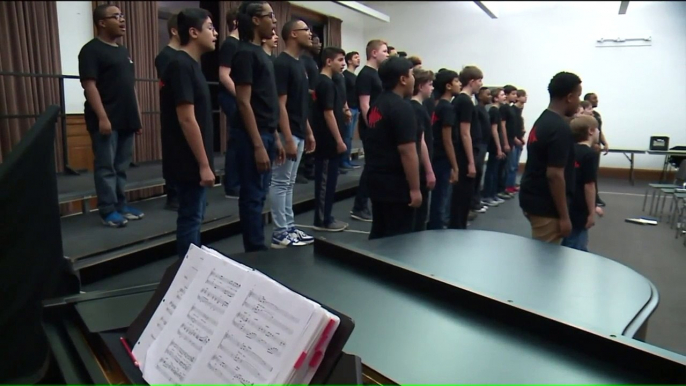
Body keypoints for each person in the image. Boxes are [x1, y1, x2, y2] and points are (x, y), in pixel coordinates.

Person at [159, 8, 218, 258]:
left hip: (192, 158)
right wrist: (203, 164)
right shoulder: (180, 65)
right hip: (188, 159)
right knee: (191, 218)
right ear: (193, 32)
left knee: (195, 215)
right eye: (210, 28)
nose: (215, 33)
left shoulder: (191, 66)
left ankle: (191, 267)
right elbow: (186, 118)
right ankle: (187, 272)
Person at [78, 4, 144, 228]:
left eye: (122, 16)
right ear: (102, 22)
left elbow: (130, 86)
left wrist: (137, 115)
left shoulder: (123, 52)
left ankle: (120, 205)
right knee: (106, 167)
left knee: (121, 166)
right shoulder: (91, 50)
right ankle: (107, 210)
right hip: (106, 118)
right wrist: (103, 118)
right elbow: (90, 86)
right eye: (116, 16)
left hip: (126, 117)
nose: (122, 20)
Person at [232, 1, 285, 252]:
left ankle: (257, 246)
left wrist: (274, 136)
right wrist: (257, 145)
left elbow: (265, 101)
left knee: (260, 194)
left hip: (266, 133)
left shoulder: (263, 55)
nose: (274, 21)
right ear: (255, 20)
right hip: (251, 136)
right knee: (252, 197)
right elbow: (243, 102)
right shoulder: (245, 54)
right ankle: (254, 250)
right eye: (269, 16)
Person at [268, 19, 316, 248]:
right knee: (280, 182)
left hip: (298, 130)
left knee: (289, 183)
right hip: (289, 133)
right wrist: (287, 138)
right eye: (306, 30)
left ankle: (289, 227)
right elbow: (281, 105)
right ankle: (280, 232)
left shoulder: (299, 64)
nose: (310, 33)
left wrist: (308, 131)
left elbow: (300, 104)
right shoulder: (283, 64)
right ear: (293, 34)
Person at [519, 72, 582, 244]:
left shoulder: (543, 120)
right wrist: (564, 216)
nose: (579, 101)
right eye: (578, 96)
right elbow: (554, 175)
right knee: (545, 263)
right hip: (546, 206)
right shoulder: (559, 128)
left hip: (533, 198)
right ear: (569, 97)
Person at [365, 56, 421, 239]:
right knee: (398, 239)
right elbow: (407, 151)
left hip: (377, 180)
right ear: (403, 79)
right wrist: (414, 188)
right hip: (396, 186)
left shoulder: (376, 105)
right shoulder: (402, 108)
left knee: (380, 232)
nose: (414, 79)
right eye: (411, 74)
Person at [350, 39, 389, 222]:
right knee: (371, 167)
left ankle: (365, 204)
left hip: (377, 126)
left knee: (375, 166)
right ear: (374, 53)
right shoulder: (366, 75)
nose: (387, 54)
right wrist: (372, 127)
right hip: (371, 127)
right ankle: (359, 206)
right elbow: (365, 105)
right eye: (384, 51)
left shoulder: (376, 74)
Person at [311, 47, 349, 232]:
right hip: (327, 141)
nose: (343, 64)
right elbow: (328, 114)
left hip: (331, 141)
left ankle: (327, 215)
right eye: (340, 60)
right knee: (325, 182)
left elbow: (334, 110)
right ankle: (322, 219)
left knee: (331, 181)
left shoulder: (331, 82)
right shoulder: (324, 83)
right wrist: (339, 140)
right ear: (328, 61)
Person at [562, 115, 603, 251]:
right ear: (591, 131)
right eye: (597, 129)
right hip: (580, 207)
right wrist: (591, 211)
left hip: (567, 203)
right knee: (577, 246)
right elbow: (589, 185)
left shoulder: (568, 150)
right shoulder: (589, 155)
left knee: (567, 242)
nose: (599, 132)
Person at [449, 66, 483, 229]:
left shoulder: (461, 100)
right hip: (464, 155)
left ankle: (458, 224)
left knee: (462, 196)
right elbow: (465, 133)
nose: (481, 85)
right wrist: (471, 161)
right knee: (462, 196)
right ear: (472, 81)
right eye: (479, 81)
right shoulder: (465, 101)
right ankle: (458, 227)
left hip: (464, 153)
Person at [427, 70, 460, 230]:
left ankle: (435, 225)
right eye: (456, 81)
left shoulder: (438, 104)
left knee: (438, 197)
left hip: (436, 155)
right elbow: (447, 139)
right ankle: (437, 230)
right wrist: (455, 165)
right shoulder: (447, 108)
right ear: (448, 86)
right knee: (441, 197)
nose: (459, 84)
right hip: (443, 158)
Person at [154, 14, 180, 211]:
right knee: (173, 154)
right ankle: (173, 195)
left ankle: (183, 193)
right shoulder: (165, 56)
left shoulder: (187, 56)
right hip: (173, 113)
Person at [409, 67, 436, 231]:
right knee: (418, 215)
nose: (432, 88)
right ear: (420, 86)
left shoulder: (420, 107)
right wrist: (429, 170)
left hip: (420, 165)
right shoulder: (416, 109)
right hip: (419, 167)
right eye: (430, 84)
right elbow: (421, 142)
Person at [218, 7, 241, 198]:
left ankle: (238, 181)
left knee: (240, 140)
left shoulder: (242, 45)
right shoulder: (230, 44)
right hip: (231, 96)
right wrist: (240, 97)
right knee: (235, 139)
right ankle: (232, 185)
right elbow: (224, 76)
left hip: (239, 97)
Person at [482, 88, 506, 206]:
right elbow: (494, 130)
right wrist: (499, 147)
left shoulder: (497, 110)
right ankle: (487, 195)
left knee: (495, 170)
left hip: (496, 145)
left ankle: (492, 194)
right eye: (502, 95)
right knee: (491, 171)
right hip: (494, 146)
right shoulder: (494, 111)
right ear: (496, 98)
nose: (504, 96)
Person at [584, 92, 609, 207]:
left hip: (596, 148)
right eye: (594, 99)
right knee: (589, 173)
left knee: (594, 172)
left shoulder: (597, 115)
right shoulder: (585, 117)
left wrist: (604, 143)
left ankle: (595, 196)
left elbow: (599, 131)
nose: (597, 100)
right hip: (589, 147)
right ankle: (591, 198)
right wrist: (593, 143)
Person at [472, 87, 494, 213]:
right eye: (487, 94)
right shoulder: (477, 110)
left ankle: (476, 200)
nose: (490, 96)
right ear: (480, 96)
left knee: (479, 173)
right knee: (476, 174)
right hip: (479, 145)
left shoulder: (484, 110)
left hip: (484, 145)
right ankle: (473, 203)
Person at [342, 51, 361, 170]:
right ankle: (343, 161)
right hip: (349, 109)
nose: (358, 59)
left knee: (349, 137)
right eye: (355, 57)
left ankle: (347, 160)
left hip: (355, 108)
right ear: (349, 60)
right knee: (346, 136)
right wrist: (346, 108)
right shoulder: (345, 76)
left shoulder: (355, 76)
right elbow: (344, 94)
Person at [501, 84, 519, 197]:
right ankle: (503, 188)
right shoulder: (504, 108)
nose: (515, 96)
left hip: (511, 140)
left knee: (509, 166)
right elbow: (503, 125)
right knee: (506, 166)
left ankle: (505, 187)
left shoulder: (511, 108)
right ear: (506, 95)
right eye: (513, 94)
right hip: (507, 141)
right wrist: (506, 142)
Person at [509, 89, 528, 192]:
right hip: (514, 140)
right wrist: (515, 138)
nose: (526, 98)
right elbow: (511, 127)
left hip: (519, 139)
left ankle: (512, 184)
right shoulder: (513, 110)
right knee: (511, 165)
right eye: (524, 96)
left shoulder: (520, 111)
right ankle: (508, 186)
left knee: (515, 165)